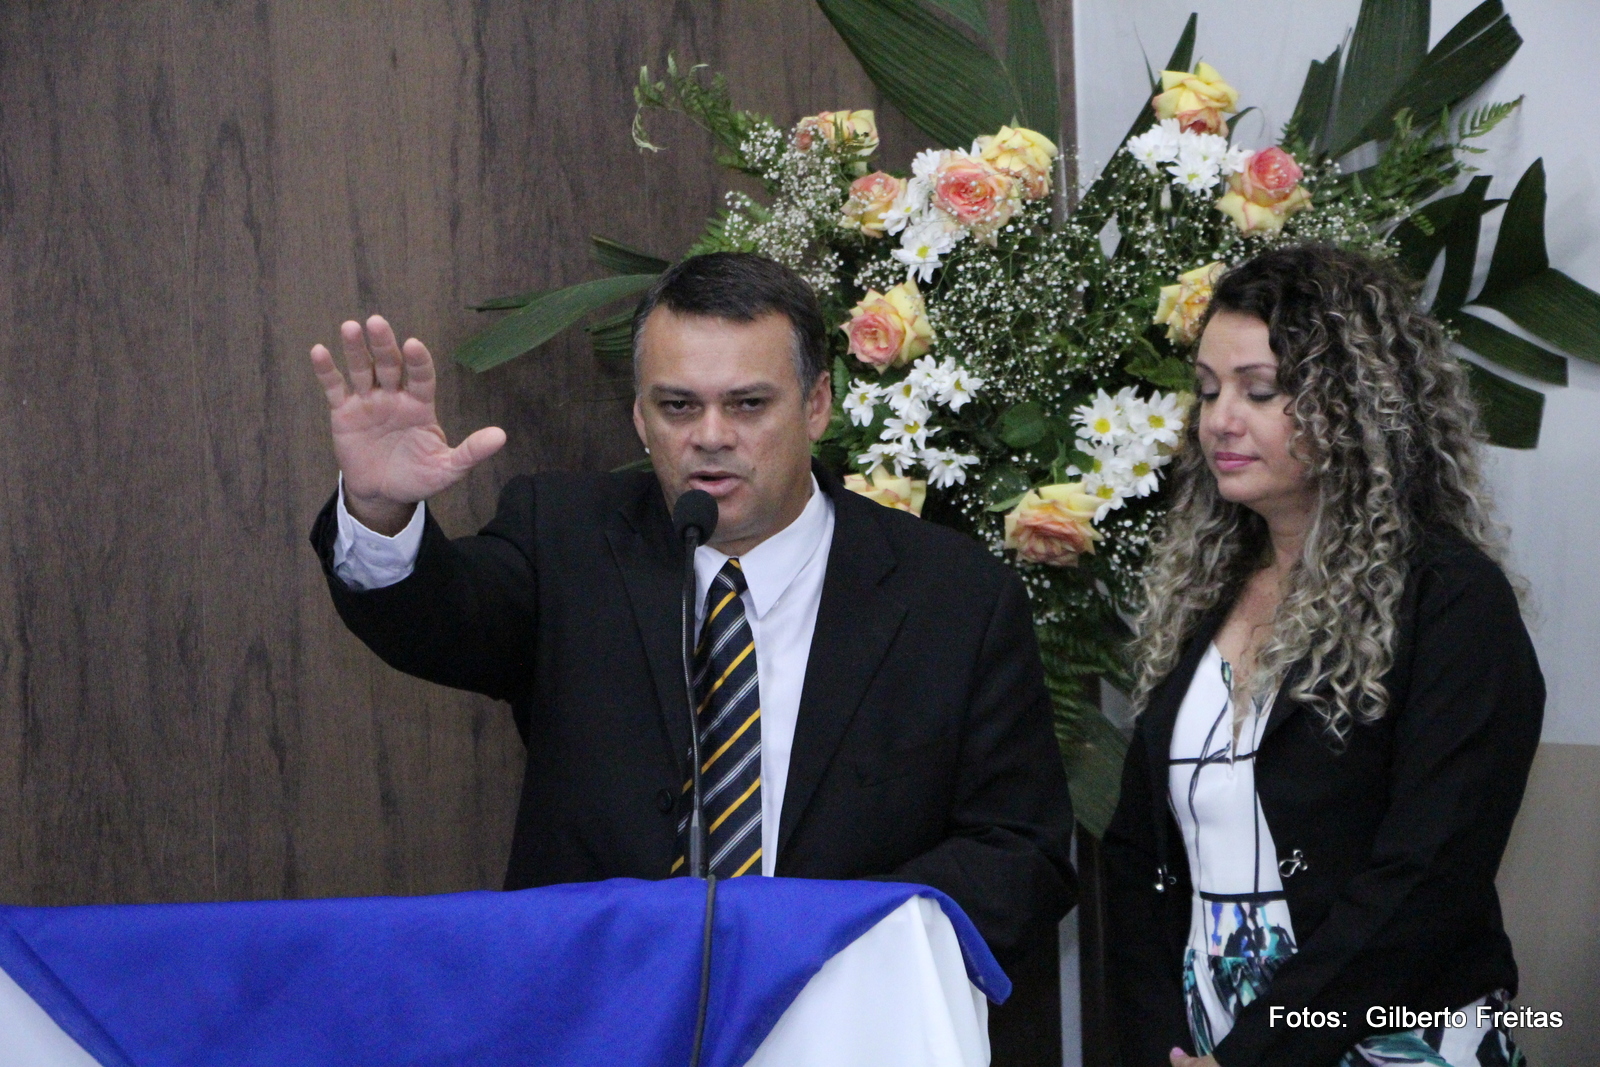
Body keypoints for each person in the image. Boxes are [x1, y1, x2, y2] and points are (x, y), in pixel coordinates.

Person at [305, 252, 1075, 1022]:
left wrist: (825, 940)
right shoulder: (565, 538)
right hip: (595, 1019)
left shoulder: (953, 595)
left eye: (748, 404)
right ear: (640, 417)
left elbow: (1021, 853)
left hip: (845, 1019)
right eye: (678, 406)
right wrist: (381, 510)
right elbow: (441, 620)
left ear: (816, 405)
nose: (710, 436)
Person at [1102, 245, 1542, 1067]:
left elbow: (1428, 877)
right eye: (1208, 389)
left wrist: (1257, 1053)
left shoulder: (1451, 600)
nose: (1220, 419)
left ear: (1354, 404)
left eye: (1260, 389)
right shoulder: (1204, 592)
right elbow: (1137, 857)